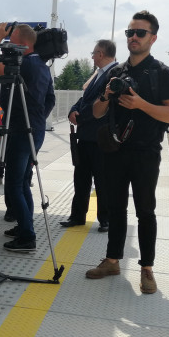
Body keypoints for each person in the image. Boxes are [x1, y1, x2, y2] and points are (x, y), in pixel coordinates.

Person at [87, 10, 169, 294]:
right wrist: (106, 96)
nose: (134, 37)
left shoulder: (162, 73)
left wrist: (140, 104)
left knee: (145, 211)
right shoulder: (116, 72)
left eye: (140, 33)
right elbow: (97, 111)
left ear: (153, 38)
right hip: (115, 150)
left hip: (146, 152)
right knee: (115, 208)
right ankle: (113, 260)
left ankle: (147, 268)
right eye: (130, 32)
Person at [0, 22, 55, 252]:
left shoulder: (23, 65)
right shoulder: (42, 66)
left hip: (19, 129)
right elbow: (51, 99)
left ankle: (27, 235)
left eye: (11, 40)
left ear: (24, 44)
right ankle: (24, 225)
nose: (8, 44)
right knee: (23, 181)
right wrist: (37, 118)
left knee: (14, 185)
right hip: (34, 130)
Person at [60, 39, 117, 232]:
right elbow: (84, 99)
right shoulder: (99, 74)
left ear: (101, 54)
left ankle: (106, 219)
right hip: (86, 137)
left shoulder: (114, 74)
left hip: (101, 137)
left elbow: (100, 106)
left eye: (93, 53)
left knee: (103, 181)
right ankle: (77, 216)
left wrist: (80, 117)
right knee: (81, 179)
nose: (92, 57)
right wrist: (73, 110)